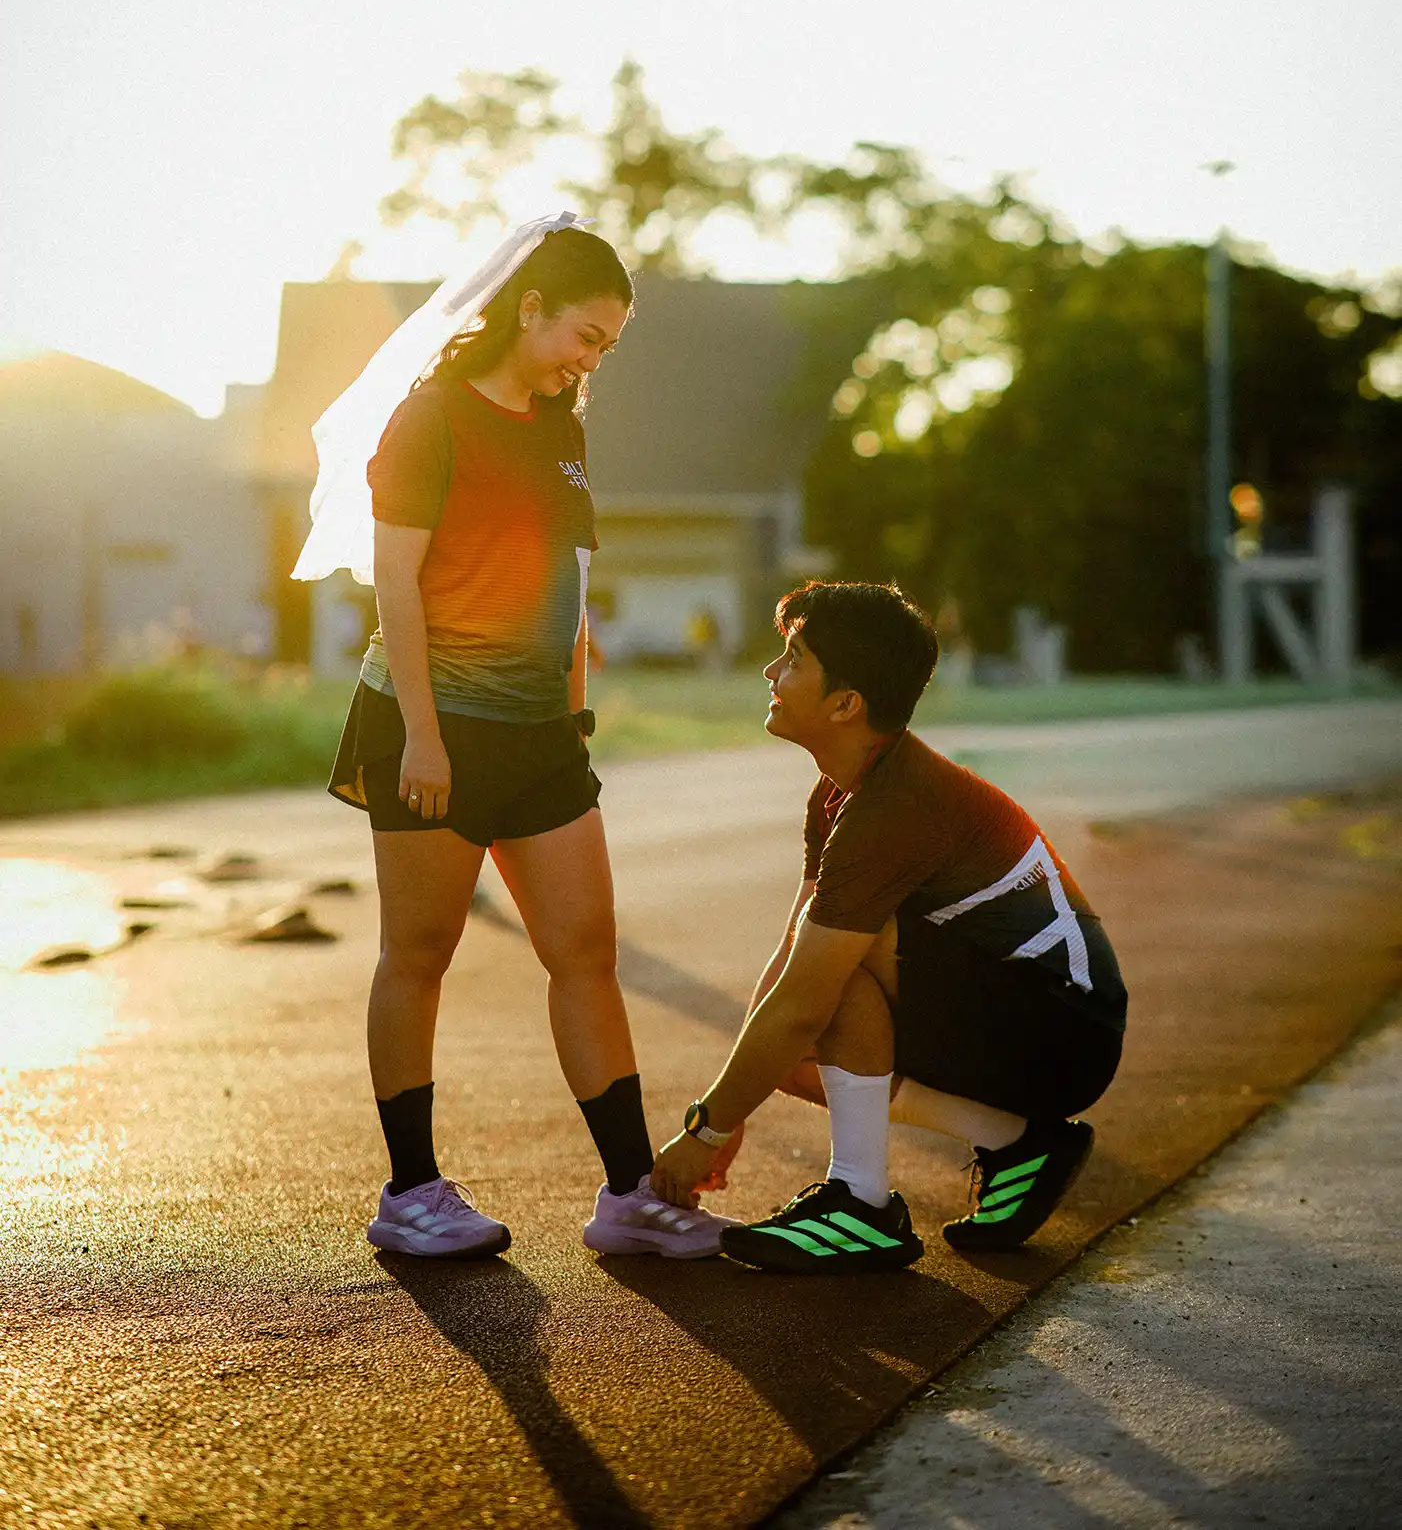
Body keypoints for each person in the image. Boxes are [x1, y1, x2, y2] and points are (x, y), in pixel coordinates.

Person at [323, 223, 734, 1262]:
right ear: (529, 307)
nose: (587, 361)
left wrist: (575, 712)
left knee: (585, 952)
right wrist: (422, 734)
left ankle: (629, 1194)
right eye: (583, 336)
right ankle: (411, 1191)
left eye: (606, 348)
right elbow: (396, 588)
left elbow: (569, 582)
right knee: (419, 954)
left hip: (540, 732)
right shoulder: (429, 418)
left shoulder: (561, 425)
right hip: (433, 725)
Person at [650, 580, 1127, 1273]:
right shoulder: (842, 792)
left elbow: (807, 993)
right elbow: (788, 958)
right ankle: (1019, 1142)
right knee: (786, 1035)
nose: (770, 674)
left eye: (793, 659)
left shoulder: (893, 810)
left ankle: (860, 1205)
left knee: (829, 979)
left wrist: (706, 1128)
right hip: (1025, 1013)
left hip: (1064, 1032)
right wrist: (729, 1109)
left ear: (847, 705)